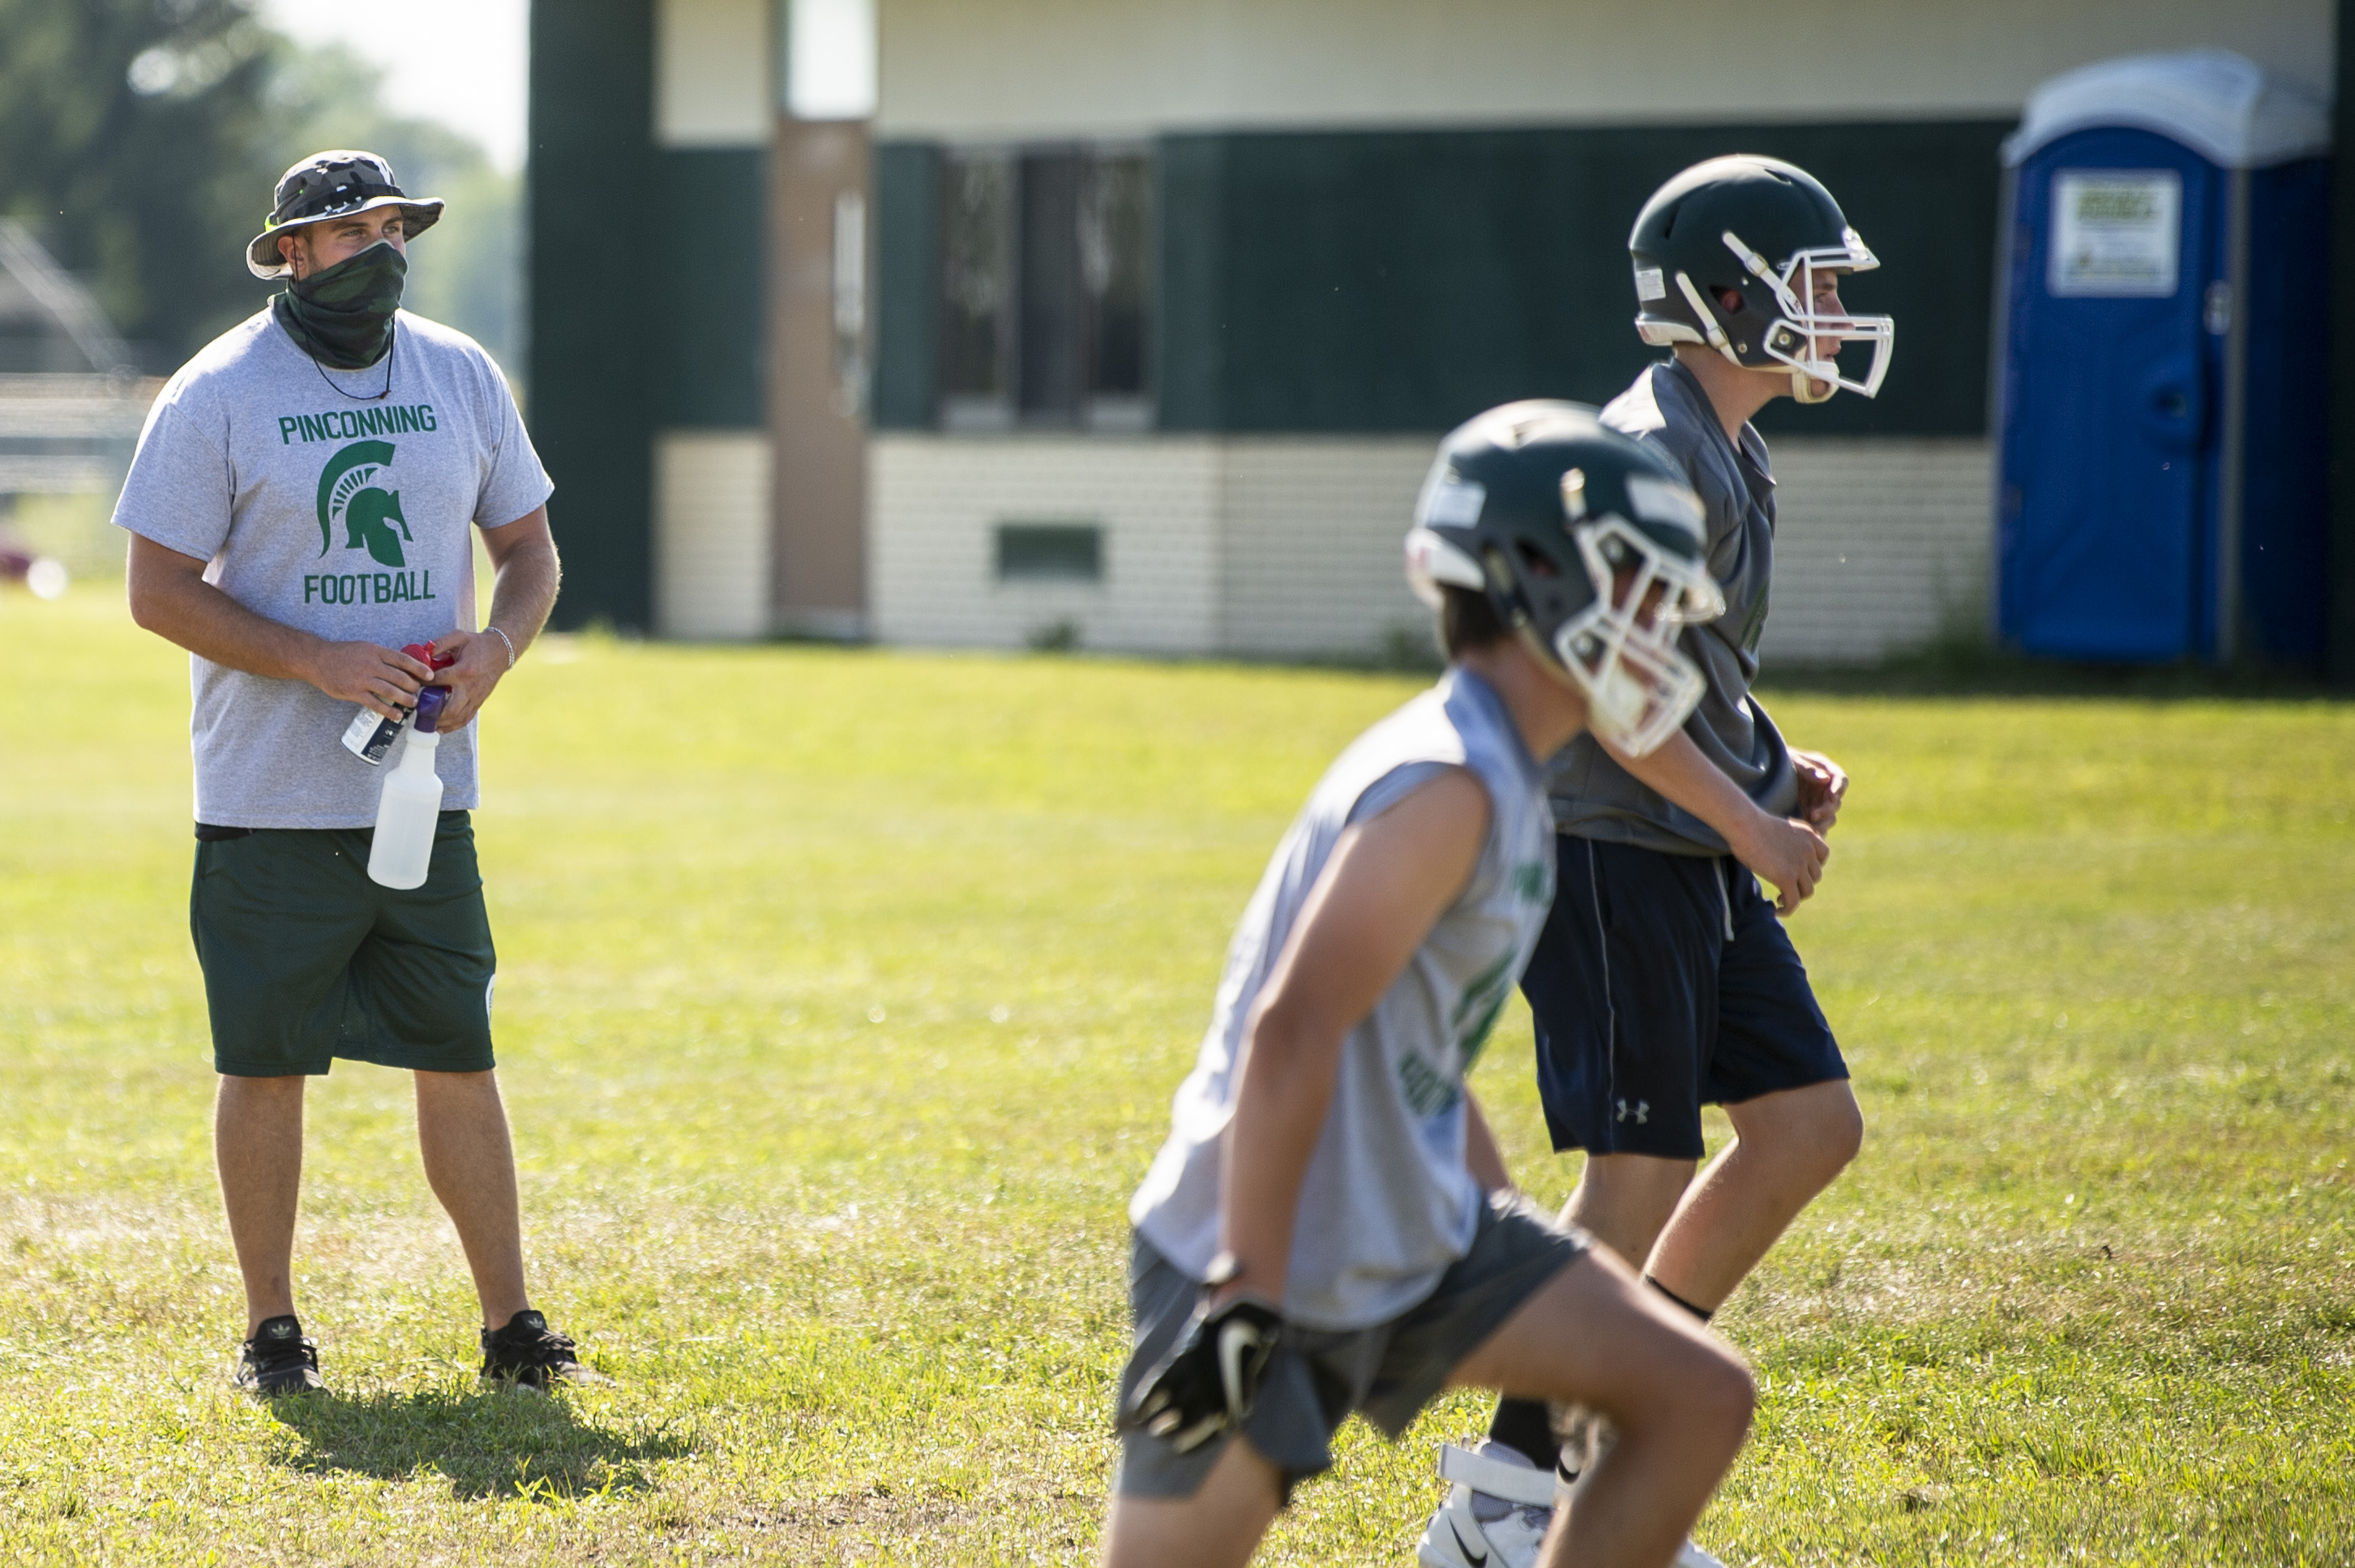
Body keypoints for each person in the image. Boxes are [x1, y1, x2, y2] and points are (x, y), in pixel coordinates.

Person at [1103, 401, 1756, 1568]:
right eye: (1647, 590)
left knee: (1694, 1394)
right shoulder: (1447, 780)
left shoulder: (1513, 776)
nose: (1666, 628)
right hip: (1263, 1252)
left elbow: (1420, 1050)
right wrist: (1243, 1293)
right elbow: (1297, 1024)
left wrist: (1504, 1228)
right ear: (1544, 581)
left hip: (1408, 1234)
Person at [1421, 155, 1894, 1568]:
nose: (1827, 316)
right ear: (1726, 294)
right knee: (1632, 1166)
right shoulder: (1646, 447)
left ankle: (1599, 1448)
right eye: (1809, 289)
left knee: (1808, 1125)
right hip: (1606, 847)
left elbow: (1693, 670)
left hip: (1682, 840)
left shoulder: (1732, 444)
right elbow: (1605, 679)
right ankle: (1508, 1500)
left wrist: (1766, 766)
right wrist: (1750, 822)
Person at [116, 151, 597, 1394]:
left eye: (392, 226)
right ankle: (272, 1333)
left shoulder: (458, 371)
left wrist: (496, 646)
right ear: (290, 254)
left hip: (422, 795)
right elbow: (154, 591)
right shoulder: (218, 390)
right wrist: (313, 660)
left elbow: (530, 547)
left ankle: (511, 1327)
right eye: (347, 233)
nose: (378, 250)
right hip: (265, 800)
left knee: (460, 1050)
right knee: (263, 1062)